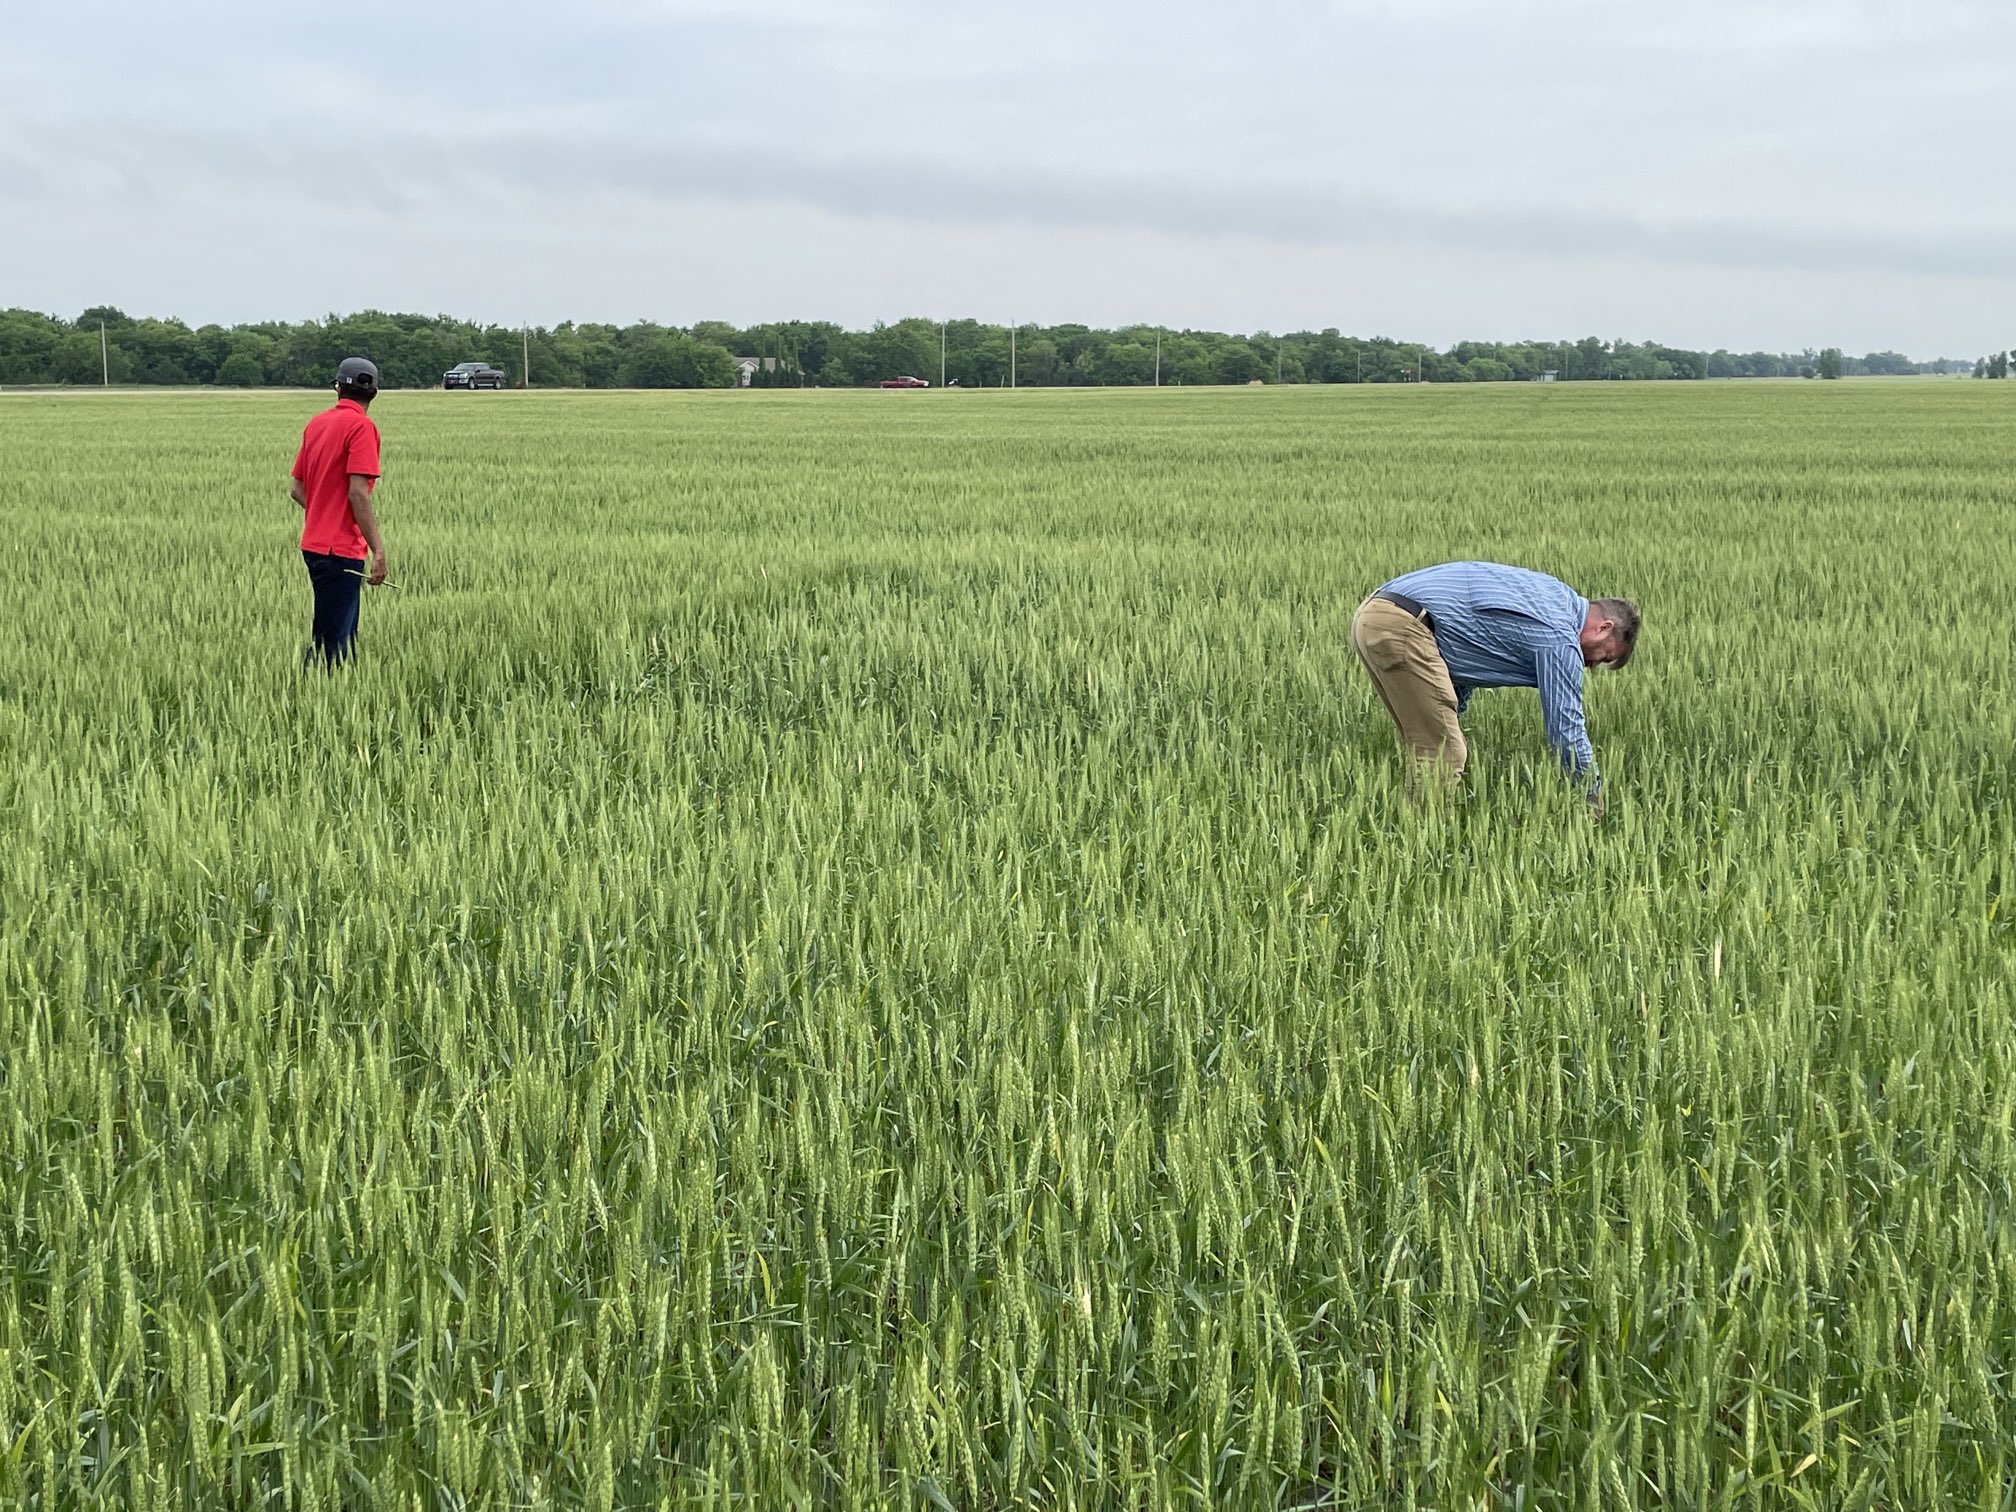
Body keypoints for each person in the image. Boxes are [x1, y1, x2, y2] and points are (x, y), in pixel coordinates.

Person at [1352, 561, 1638, 816]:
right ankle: (1421, 842)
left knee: (1430, 745)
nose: (1594, 665)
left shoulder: (1553, 596)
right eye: (1605, 656)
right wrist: (1591, 795)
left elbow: (1467, 650)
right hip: (1405, 626)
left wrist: (1452, 713)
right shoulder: (1560, 638)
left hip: (1376, 615)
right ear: (1603, 628)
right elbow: (1566, 729)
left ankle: (1411, 828)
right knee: (1443, 751)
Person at [289, 357, 389, 668]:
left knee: (336, 637)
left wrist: (322, 513)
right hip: (341, 551)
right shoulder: (362, 427)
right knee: (334, 646)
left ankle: (325, 700)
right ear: (373, 392)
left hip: (314, 546)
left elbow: (296, 489)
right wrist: (379, 550)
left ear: (338, 387)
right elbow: (357, 493)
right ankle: (314, 699)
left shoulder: (317, 424)